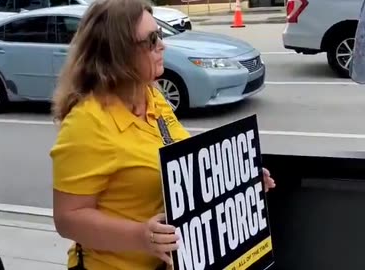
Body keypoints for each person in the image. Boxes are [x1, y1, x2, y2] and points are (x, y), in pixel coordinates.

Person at [49, 0, 276, 269]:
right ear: (118, 52)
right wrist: (140, 237)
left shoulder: (152, 95)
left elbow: (182, 164)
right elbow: (68, 219)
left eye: (160, 35)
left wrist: (237, 183)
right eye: (151, 39)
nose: (162, 45)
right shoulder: (86, 124)